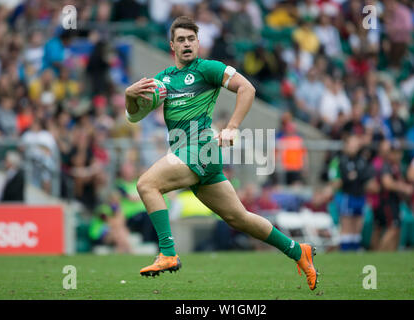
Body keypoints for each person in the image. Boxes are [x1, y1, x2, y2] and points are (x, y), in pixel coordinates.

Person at [124, 16, 318, 290]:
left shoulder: (208, 69)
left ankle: (168, 253)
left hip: (201, 148)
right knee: (239, 218)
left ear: (198, 42)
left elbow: (247, 88)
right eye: (181, 39)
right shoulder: (162, 79)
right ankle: (299, 251)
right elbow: (134, 117)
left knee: (146, 184)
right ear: (172, 45)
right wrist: (130, 95)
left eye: (191, 39)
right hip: (187, 152)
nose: (187, 44)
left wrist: (232, 126)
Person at [371, 143, 413, 251]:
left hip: (391, 201)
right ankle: (380, 254)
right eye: (394, 153)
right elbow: (387, 183)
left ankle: (388, 253)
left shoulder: (396, 166)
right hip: (387, 201)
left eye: (399, 153)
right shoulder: (387, 166)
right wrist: (404, 188)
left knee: (383, 228)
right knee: (392, 228)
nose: (397, 155)